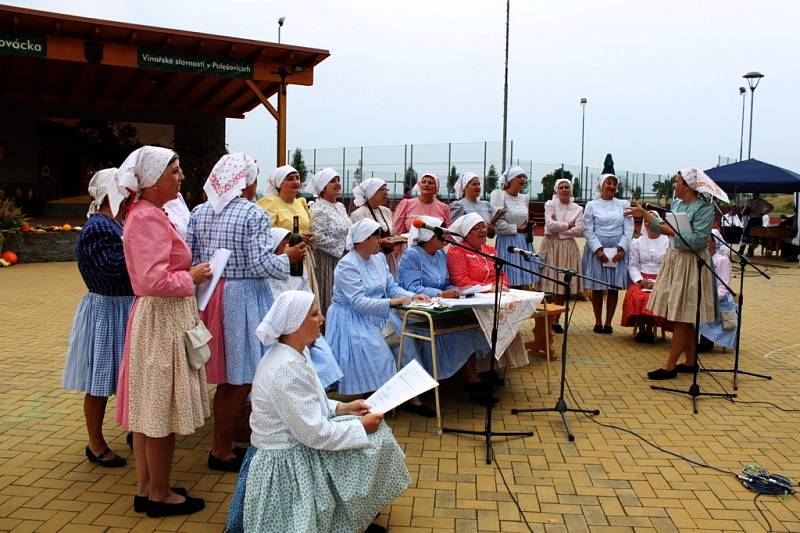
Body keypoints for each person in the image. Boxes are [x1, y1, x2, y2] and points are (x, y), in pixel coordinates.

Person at [225, 291, 410, 533]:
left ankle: (353, 517)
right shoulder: (286, 368)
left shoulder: (294, 353)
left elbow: (310, 404)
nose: (322, 318)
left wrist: (344, 407)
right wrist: (361, 426)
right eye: (314, 315)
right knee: (374, 442)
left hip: (298, 444)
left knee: (376, 436)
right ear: (294, 324)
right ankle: (347, 519)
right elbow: (314, 434)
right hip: (286, 459)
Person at [186, 153, 305, 472]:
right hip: (242, 297)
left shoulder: (199, 212)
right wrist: (289, 257)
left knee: (231, 376)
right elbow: (260, 263)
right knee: (238, 378)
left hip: (211, 294)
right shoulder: (252, 214)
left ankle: (230, 438)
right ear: (247, 181)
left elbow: (193, 257)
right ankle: (222, 448)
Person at [114, 146, 210, 517]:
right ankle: (159, 494)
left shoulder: (148, 213)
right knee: (160, 411)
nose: (181, 176)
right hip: (161, 319)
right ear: (153, 180)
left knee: (149, 410)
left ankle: (148, 487)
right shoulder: (148, 217)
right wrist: (192, 276)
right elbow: (151, 279)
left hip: (160, 317)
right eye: (174, 170)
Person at [62, 168, 133, 468]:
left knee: (128, 376)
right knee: (100, 380)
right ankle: (95, 442)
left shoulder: (114, 224)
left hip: (120, 307)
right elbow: (113, 268)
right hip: (107, 309)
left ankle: (136, 430)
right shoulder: (99, 227)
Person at [626, 168, 724, 380]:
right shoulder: (678, 204)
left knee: (682, 314)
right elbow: (664, 228)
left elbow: (698, 241)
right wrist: (648, 217)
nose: (674, 185)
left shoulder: (704, 209)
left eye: (677, 181)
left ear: (688, 186)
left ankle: (670, 366)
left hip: (691, 262)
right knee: (683, 314)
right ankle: (690, 361)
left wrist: (664, 227)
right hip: (675, 259)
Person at [325, 219, 431, 410]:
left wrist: (412, 296)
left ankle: (410, 395)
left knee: (405, 345)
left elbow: (391, 287)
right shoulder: (346, 265)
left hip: (378, 312)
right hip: (352, 317)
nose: (380, 241)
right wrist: (392, 302)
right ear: (363, 240)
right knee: (378, 354)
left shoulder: (379, 259)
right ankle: (377, 400)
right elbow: (357, 302)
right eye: (376, 237)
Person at [397, 216, 491, 395]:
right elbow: (411, 287)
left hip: (441, 306)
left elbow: (445, 282)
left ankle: (468, 376)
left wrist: (457, 290)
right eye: (441, 234)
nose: (445, 238)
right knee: (461, 330)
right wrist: (440, 294)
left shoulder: (440, 254)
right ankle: (464, 378)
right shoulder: (412, 255)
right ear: (428, 236)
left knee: (471, 326)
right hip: (417, 309)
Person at [267, 227, 343, 390]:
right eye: (287, 245)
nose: (294, 249)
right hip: (284, 334)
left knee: (322, 354)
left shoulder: (298, 271)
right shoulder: (268, 278)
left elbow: (308, 298)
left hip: (304, 326)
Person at [581, 174, 633, 334]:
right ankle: (597, 321)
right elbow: (588, 228)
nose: (611, 186)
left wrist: (621, 249)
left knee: (613, 287)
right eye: (608, 183)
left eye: (614, 184)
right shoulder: (591, 205)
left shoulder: (623, 204)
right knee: (597, 287)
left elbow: (629, 228)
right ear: (602, 185)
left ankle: (609, 322)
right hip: (598, 248)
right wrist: (597, 249)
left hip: (617, 248)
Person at [257, 165, 319, 299]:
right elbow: (267, 233)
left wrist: (308, 237)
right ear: (279, 184)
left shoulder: (301, 202)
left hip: (303, 257)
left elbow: (306, 226)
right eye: (290, 179)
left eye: (297, 178)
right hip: (284, 257)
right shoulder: (270, 203)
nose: (296, 182)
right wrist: (293, 238)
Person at [540, 178, 584, 332]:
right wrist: (567, 225)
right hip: (551, 246)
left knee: (562, 286)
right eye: (561, 187)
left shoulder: (578, 208)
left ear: (571, 190)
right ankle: (545, 319)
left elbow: (579, 230)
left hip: (567, 249)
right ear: (556, 190)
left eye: (567, 187)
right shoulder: (550, 204)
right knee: (549, 284)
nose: (565, 190)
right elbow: (549, 225)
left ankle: (556, 321)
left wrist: (560, 230)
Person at [306, 168, 352, 317]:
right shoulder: (318, 208)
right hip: (327, 262)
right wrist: (343, 247)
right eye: (333, 181)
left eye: (338, 180)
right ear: (323, 187)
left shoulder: (340, 206)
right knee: (330, 297)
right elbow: (317, 237)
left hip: (344, 259)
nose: (338, 183)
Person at [620, 212, 670, 343]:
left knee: (653, 296)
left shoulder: (668, 242)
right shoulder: (637, 242)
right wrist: (640, 280)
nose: (648, 223)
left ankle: (650, 328)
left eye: (651, 220)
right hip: (641, 278)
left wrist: (658, 281)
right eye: (646, 220)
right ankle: (642, 328)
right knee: (637, 295)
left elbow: (669, 266)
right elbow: (633, 265)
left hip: (661, 279)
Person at [490, 166, 539, 288]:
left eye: (524, 176)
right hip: (508, 243)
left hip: (524, 241)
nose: (523, 179)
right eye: (519, 176)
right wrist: (518, 229)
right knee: (509, 280)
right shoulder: (499, 195)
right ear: (510, 179)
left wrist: (528, 226)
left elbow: (524, 220)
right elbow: (498, 225)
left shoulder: (524, 198)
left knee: (523, 282)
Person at [350, 178, 403, 275]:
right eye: (382, 190)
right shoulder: (358, 214)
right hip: (369, 259)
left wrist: (395, 239)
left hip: (388, 258)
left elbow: (391, 232)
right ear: (371, 193)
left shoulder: (386, 211)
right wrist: (382, 242)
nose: (386, 193)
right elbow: (356, 242)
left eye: (386, 190)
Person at [698, 230, 738, 351]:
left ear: (714, 242)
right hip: (703, 294)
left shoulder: (722, 260)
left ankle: (707, 341)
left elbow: (724, 286)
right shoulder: (699, 257)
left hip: (719, 298)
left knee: (706, 307)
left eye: (708, 239)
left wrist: (711, 298)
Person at [739, 192, 773, 256]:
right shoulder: (748, 201)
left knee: (754, 236)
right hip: (751, 219)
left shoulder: (762, 201)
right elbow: (745, 211)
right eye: (753, 193)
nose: (754, 194)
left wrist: (764, 213)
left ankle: (750, 251)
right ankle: (741, 250)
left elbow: (771, 207)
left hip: (758, 219)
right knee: (745, 234)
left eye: (756, 193)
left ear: (758, 194)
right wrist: (745, 219)